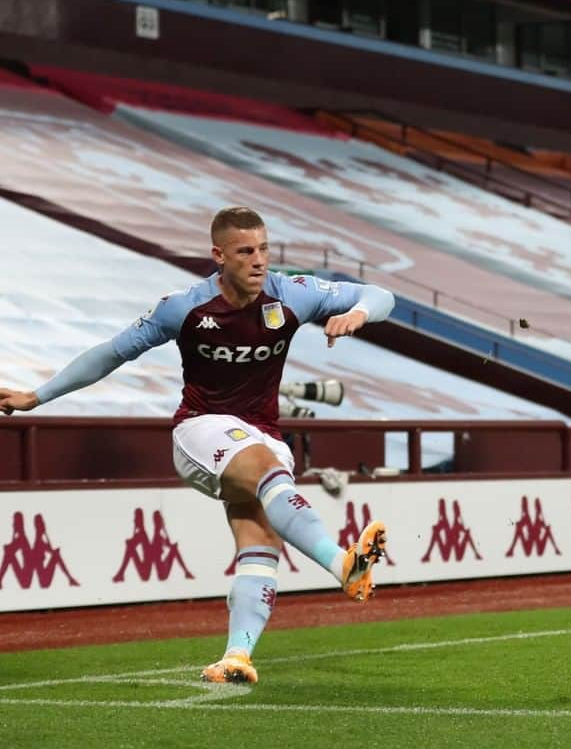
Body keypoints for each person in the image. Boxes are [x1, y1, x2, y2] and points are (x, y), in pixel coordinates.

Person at [0, 206, 395, 686]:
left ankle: (236, 658)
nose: (258, 261)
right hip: (202, 428)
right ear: (219, 256)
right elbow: (111, 353)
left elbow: (380, 295)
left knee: (259, 540)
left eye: (264, 249)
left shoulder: (292, 294)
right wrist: (37, 395)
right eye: (246, 252)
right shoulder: (183, 307)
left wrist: (356, 313)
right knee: (267, 469)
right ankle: (342, 563)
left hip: (262, 432)